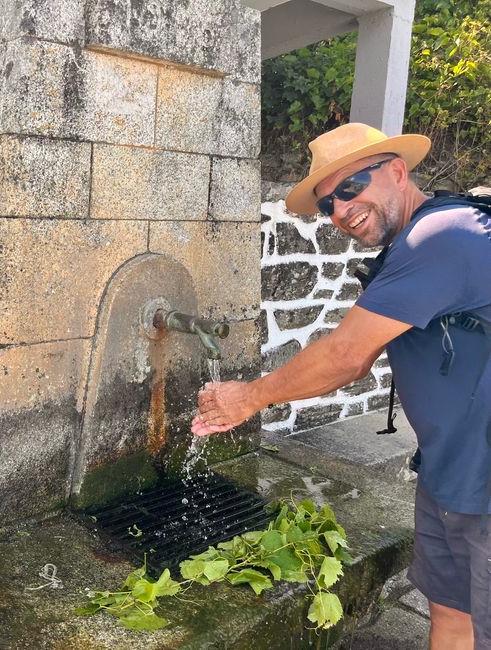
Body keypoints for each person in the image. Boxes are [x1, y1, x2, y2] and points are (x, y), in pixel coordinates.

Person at [193, 122, 491, 650]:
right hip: (450, 470)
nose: (339, 212)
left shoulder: (441, 235)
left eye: (350, 188)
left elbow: (346, 356)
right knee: (450, 612)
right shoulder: (407, 247)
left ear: (397, 172)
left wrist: (248, 396)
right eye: (327, 203)